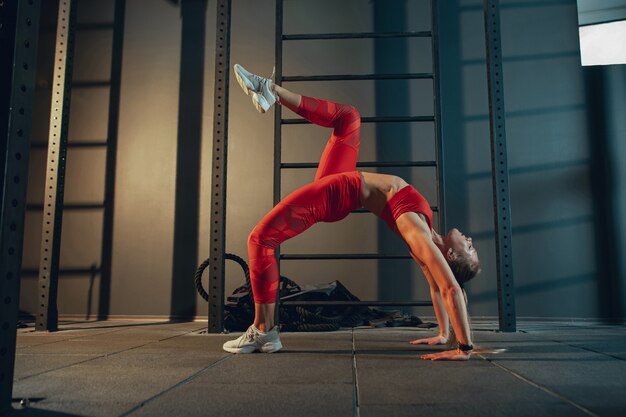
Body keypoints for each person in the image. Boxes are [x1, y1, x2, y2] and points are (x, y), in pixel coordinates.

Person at [223, 65, 481, 361]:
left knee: (260, 240)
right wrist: (443, 334)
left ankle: (263, 330)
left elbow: (450, 287)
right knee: (348, 118)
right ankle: (272, 92)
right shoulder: (428, 237)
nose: (470, 239)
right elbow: (437, 288)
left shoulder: (419, 233)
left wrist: (464, 348)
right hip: (343, 187)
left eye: (470, 248)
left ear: (451, 256)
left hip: (340, 191)